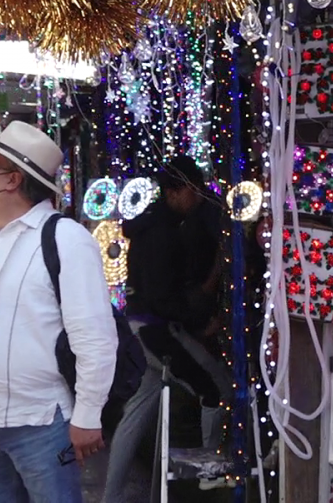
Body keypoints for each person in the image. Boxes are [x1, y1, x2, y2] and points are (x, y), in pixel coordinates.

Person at [0, 121, 118, 502]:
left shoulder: (64, 237)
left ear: (12, 180)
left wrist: (88, 415)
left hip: (39, 422)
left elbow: (94, 335)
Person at [103, 156, 230, 500]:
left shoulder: (151, 227)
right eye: (193, 191)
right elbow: (163, 297)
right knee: (215, 389)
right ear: (175, 192)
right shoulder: (164, 234)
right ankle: (208, 473)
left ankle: (111, 495)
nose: (198, 198)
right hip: (158, 330)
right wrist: (201, 322)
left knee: (136, 414)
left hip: (141, 328)